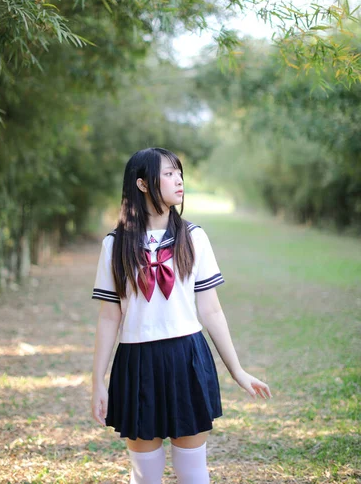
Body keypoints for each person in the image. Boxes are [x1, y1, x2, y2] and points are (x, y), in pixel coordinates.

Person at [91, 147, 272, 484]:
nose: (179, 180)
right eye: (169, 174)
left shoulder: (193, 237)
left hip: (186, 357)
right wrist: (97, 381)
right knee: (145, 475)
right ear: (143, 184)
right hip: (136, 360)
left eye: (179, 173)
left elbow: (211, 310)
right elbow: (108, 317)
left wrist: (237, 370)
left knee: (192, 471)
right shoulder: (114, 245)